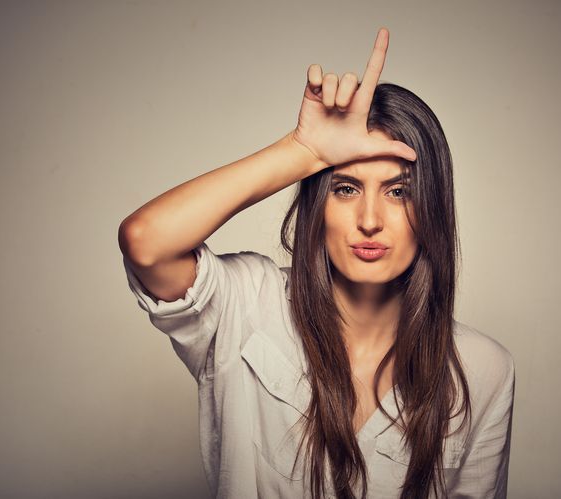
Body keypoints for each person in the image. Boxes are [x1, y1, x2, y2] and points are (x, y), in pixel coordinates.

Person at [119, 27, 514, 499]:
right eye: (346, 189)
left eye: (399, 192)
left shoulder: (483, 370)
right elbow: (146, 241)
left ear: (432, 205)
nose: (370, 220)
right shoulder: (249, 305)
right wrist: (303, 152)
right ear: (317, 204)